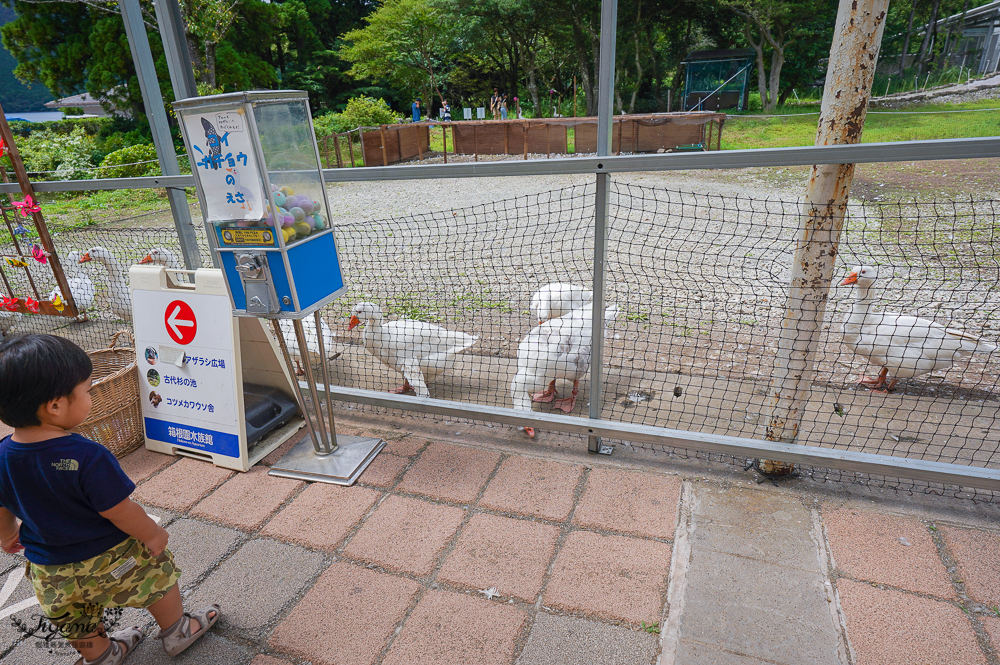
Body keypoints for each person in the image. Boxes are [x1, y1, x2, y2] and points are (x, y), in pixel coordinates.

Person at [0, 334, 220, 665]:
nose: (90, 397)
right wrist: (152, 534)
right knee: (156, 580)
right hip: (111, 556)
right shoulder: (85, 455)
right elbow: (118, 509)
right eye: (87, 391)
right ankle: (177, 631)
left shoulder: (2, 455)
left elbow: (2, 504)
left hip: (49, 568)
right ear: (56, 406)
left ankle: (101, 656)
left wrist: (6, 535)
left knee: (75, 620)